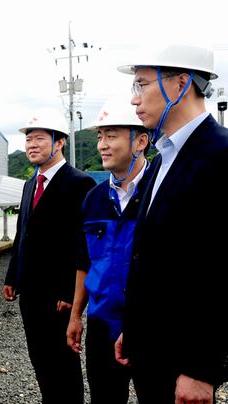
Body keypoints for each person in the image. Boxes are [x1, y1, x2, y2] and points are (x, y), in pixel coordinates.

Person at [114, 44, 228, 403]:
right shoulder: (163, 159)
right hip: (150, 349)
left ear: (180, 84)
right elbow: (152, 256)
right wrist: (133, 328)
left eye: (141, 84)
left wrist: (202, 369)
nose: (134, 98)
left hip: (184, 364)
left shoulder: (221, 154)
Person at [2, 107, 96, 404]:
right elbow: (22, 233)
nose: (31, 145)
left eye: (39, 138)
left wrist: (71, 294)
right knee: (40, 360)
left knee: (63, 365)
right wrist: (12, 275)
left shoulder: (79, 183)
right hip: (30, 292)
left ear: (60, 142)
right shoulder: (30, 184)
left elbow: (83, 245)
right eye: (28, 139)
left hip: (59, 297)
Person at [66, 96, 150, 403]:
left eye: (111, 136)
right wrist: (76, 316)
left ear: (140, 141)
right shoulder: (94, 198)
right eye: (100, 136)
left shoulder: (161, 190)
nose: (102, 145)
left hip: (151, 326)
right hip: (102, 325)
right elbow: (84, 262)